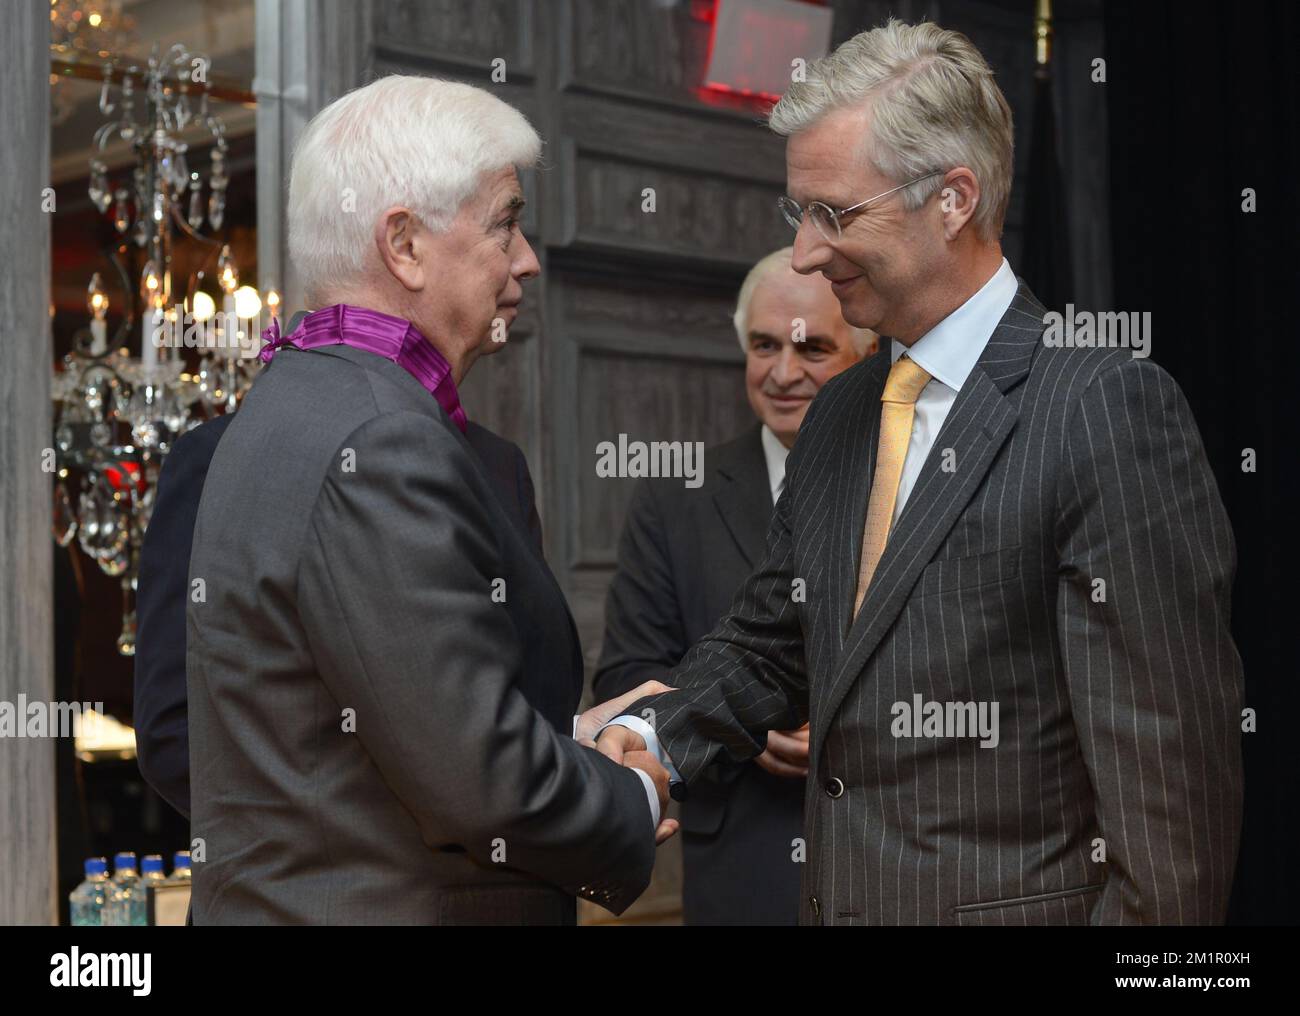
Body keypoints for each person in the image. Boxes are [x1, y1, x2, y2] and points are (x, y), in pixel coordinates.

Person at [595, 19, 1244, 925]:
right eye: (799, 213)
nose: (805, 254)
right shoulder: (841, 414)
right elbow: (770, 640)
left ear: (953, 199)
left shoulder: (1103, 407)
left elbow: (1170, 800)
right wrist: (649, 735)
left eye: (835, 213)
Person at [186, 75, 673, 925]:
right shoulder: (381, 438)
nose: (526, 258)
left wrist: (566, 735)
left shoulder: (292, 398)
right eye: (506, 223)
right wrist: (631, 789)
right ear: (403, 245)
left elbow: (390, 719)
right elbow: (477, 780)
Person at [594, 247, 871, 923]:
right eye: (763, 345)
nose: (782, 373)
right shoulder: (674, 497)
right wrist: (744, 729)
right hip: (742, 863)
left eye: (811, 350)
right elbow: (626, 678)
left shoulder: (906, 485)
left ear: (866, 353)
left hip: (885, 852)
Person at [134, 402, 546, 821]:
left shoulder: (496, 463)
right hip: (303, 880)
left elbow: (526, 704)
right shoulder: (220, 454)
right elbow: (174, 737)